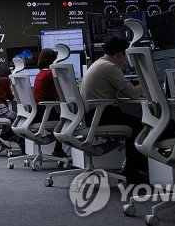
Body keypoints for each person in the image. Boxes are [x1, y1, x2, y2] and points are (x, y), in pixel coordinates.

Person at [80, 36, 147, 183]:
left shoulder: (99, 64)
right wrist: (148, 81)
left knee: (136, 123)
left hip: (95, 115)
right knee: (141, 127)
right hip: (103, 115)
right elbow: (132, 93)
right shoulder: (110, 67)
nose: (125, 61)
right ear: (119, 54)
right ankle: (132, 171)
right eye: (125, 56)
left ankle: (138, 167)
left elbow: (124, 93)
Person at [32, 48, 65, 157]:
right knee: (66, 120)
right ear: (53, 60)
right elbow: (62, 90)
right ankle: (58, 149)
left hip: (37, 112)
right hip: (45, 113)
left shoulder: (40, 74)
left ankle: (58, 148)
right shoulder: (50, 74)